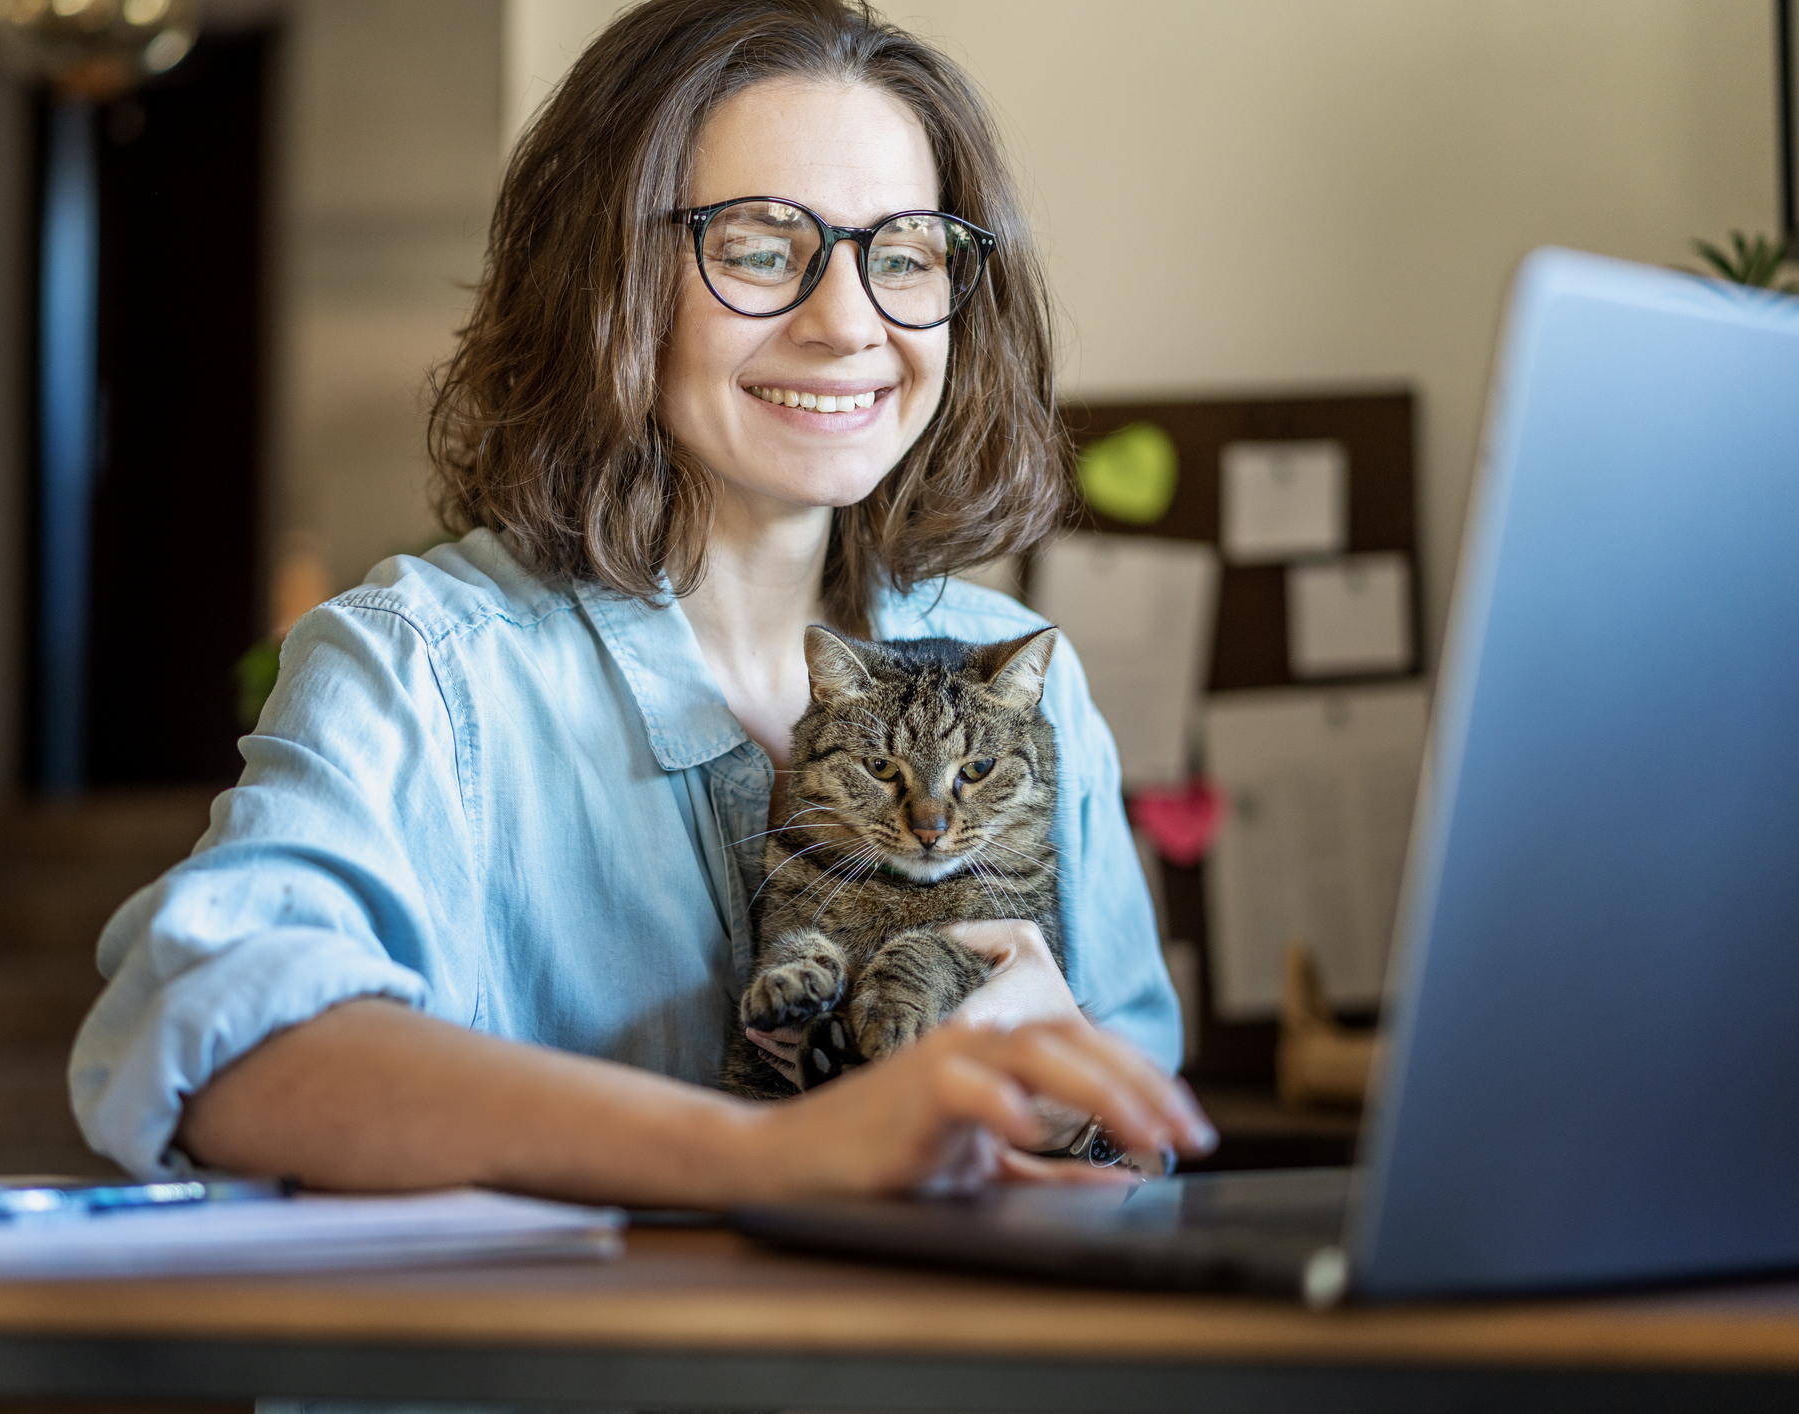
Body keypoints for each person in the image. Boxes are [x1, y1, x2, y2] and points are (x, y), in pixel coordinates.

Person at [69, 0, 1217, 1204]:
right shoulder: (424, 665)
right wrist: (768, 1156)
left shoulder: (1018, 671)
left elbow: (1143, 1139)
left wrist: (1060, 1112)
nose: (848, 322)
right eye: (762, 248)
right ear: (607, 277)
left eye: (908, 252)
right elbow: (219, 1048)